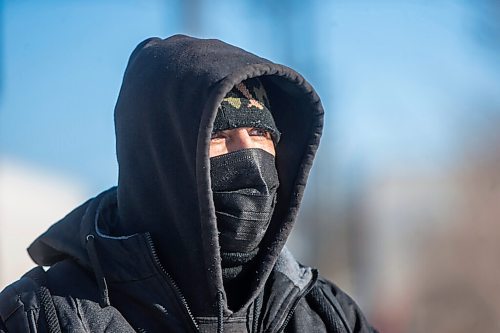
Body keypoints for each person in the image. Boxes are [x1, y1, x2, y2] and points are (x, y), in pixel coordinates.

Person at [0, 35, 377, 332]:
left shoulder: (325, 315)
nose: (250, 157)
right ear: (159, 154)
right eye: (220, 135)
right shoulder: (42, 317)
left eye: (261, 133)